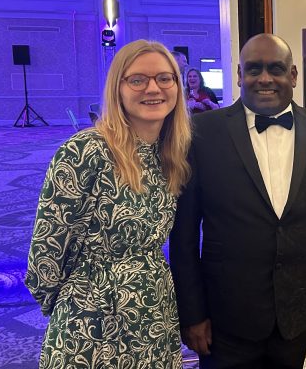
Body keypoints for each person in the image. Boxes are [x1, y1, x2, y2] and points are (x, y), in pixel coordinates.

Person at [170, 33, 306, 369]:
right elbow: (182, 236)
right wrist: (192, 314)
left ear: (294, 75)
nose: (265, 78)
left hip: (303, 318)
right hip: (225, 324)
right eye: (253, 70)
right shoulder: (201, 133)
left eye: (276, 69)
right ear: (239, 76)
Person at [25, 40, 191, 368]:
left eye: (164, 78)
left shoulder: (169, 155)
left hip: (153, 317)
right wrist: (78, 307)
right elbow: (44, 260)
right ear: (118, 88)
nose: (153, 88)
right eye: (137, 79)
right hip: (91, 325)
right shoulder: (85, 151)